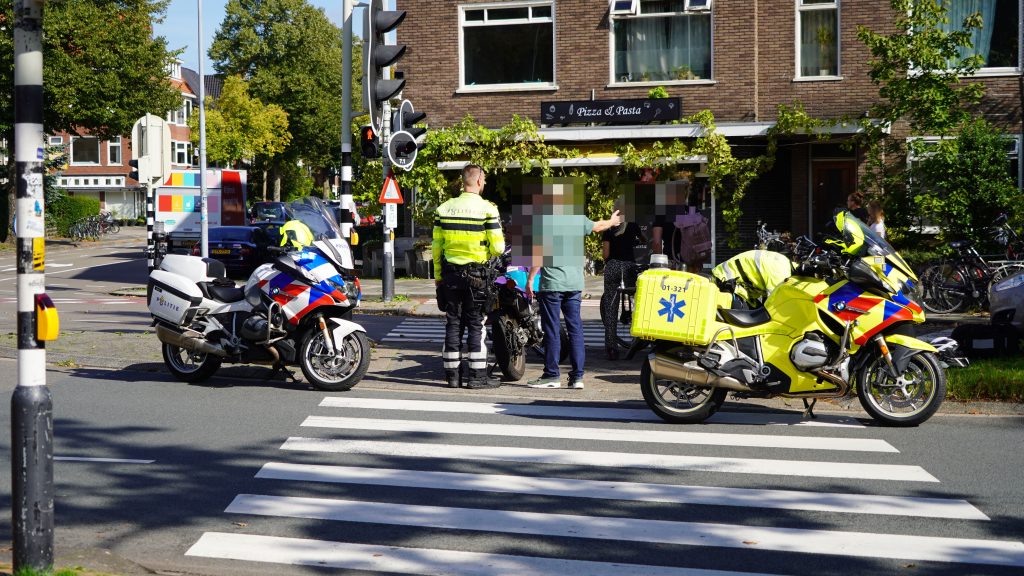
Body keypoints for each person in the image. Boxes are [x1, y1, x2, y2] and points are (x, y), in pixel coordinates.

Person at [526, 200, 622, 390]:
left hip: (552, 284)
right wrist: (612, 221)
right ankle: (577, 377)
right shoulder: (578, 220)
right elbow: (598, 226)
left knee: (552, 329)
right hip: (574, 284)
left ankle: (552, 375)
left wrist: (530, 279)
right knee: (575, 329)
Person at [432, 164, 505, 389]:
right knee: (476, 324)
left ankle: (452, 377)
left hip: (450, 275)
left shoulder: (444, 209)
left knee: (453, 323)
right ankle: (477, 377)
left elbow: (437, 248)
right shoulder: (488, 209)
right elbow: (499, 248)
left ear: (463, 181)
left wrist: (438, 277)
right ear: (480, 181)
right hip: (478, 276)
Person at [601, 201, 645, 360]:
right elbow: (644, 239)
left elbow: (605, 254)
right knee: (637, 299)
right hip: (629, 267)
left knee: (610, 308)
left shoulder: (608, 228)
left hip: (613, 266)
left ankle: (611, 348)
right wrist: (636, 241)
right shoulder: (633, 225)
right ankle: (638, 341)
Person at [711, 249, 795, 309]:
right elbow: (772, 304)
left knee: (757, 311)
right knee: (750, 321)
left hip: (731, 279)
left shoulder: (785, 263)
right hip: (726, 281)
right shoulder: (781, 275)